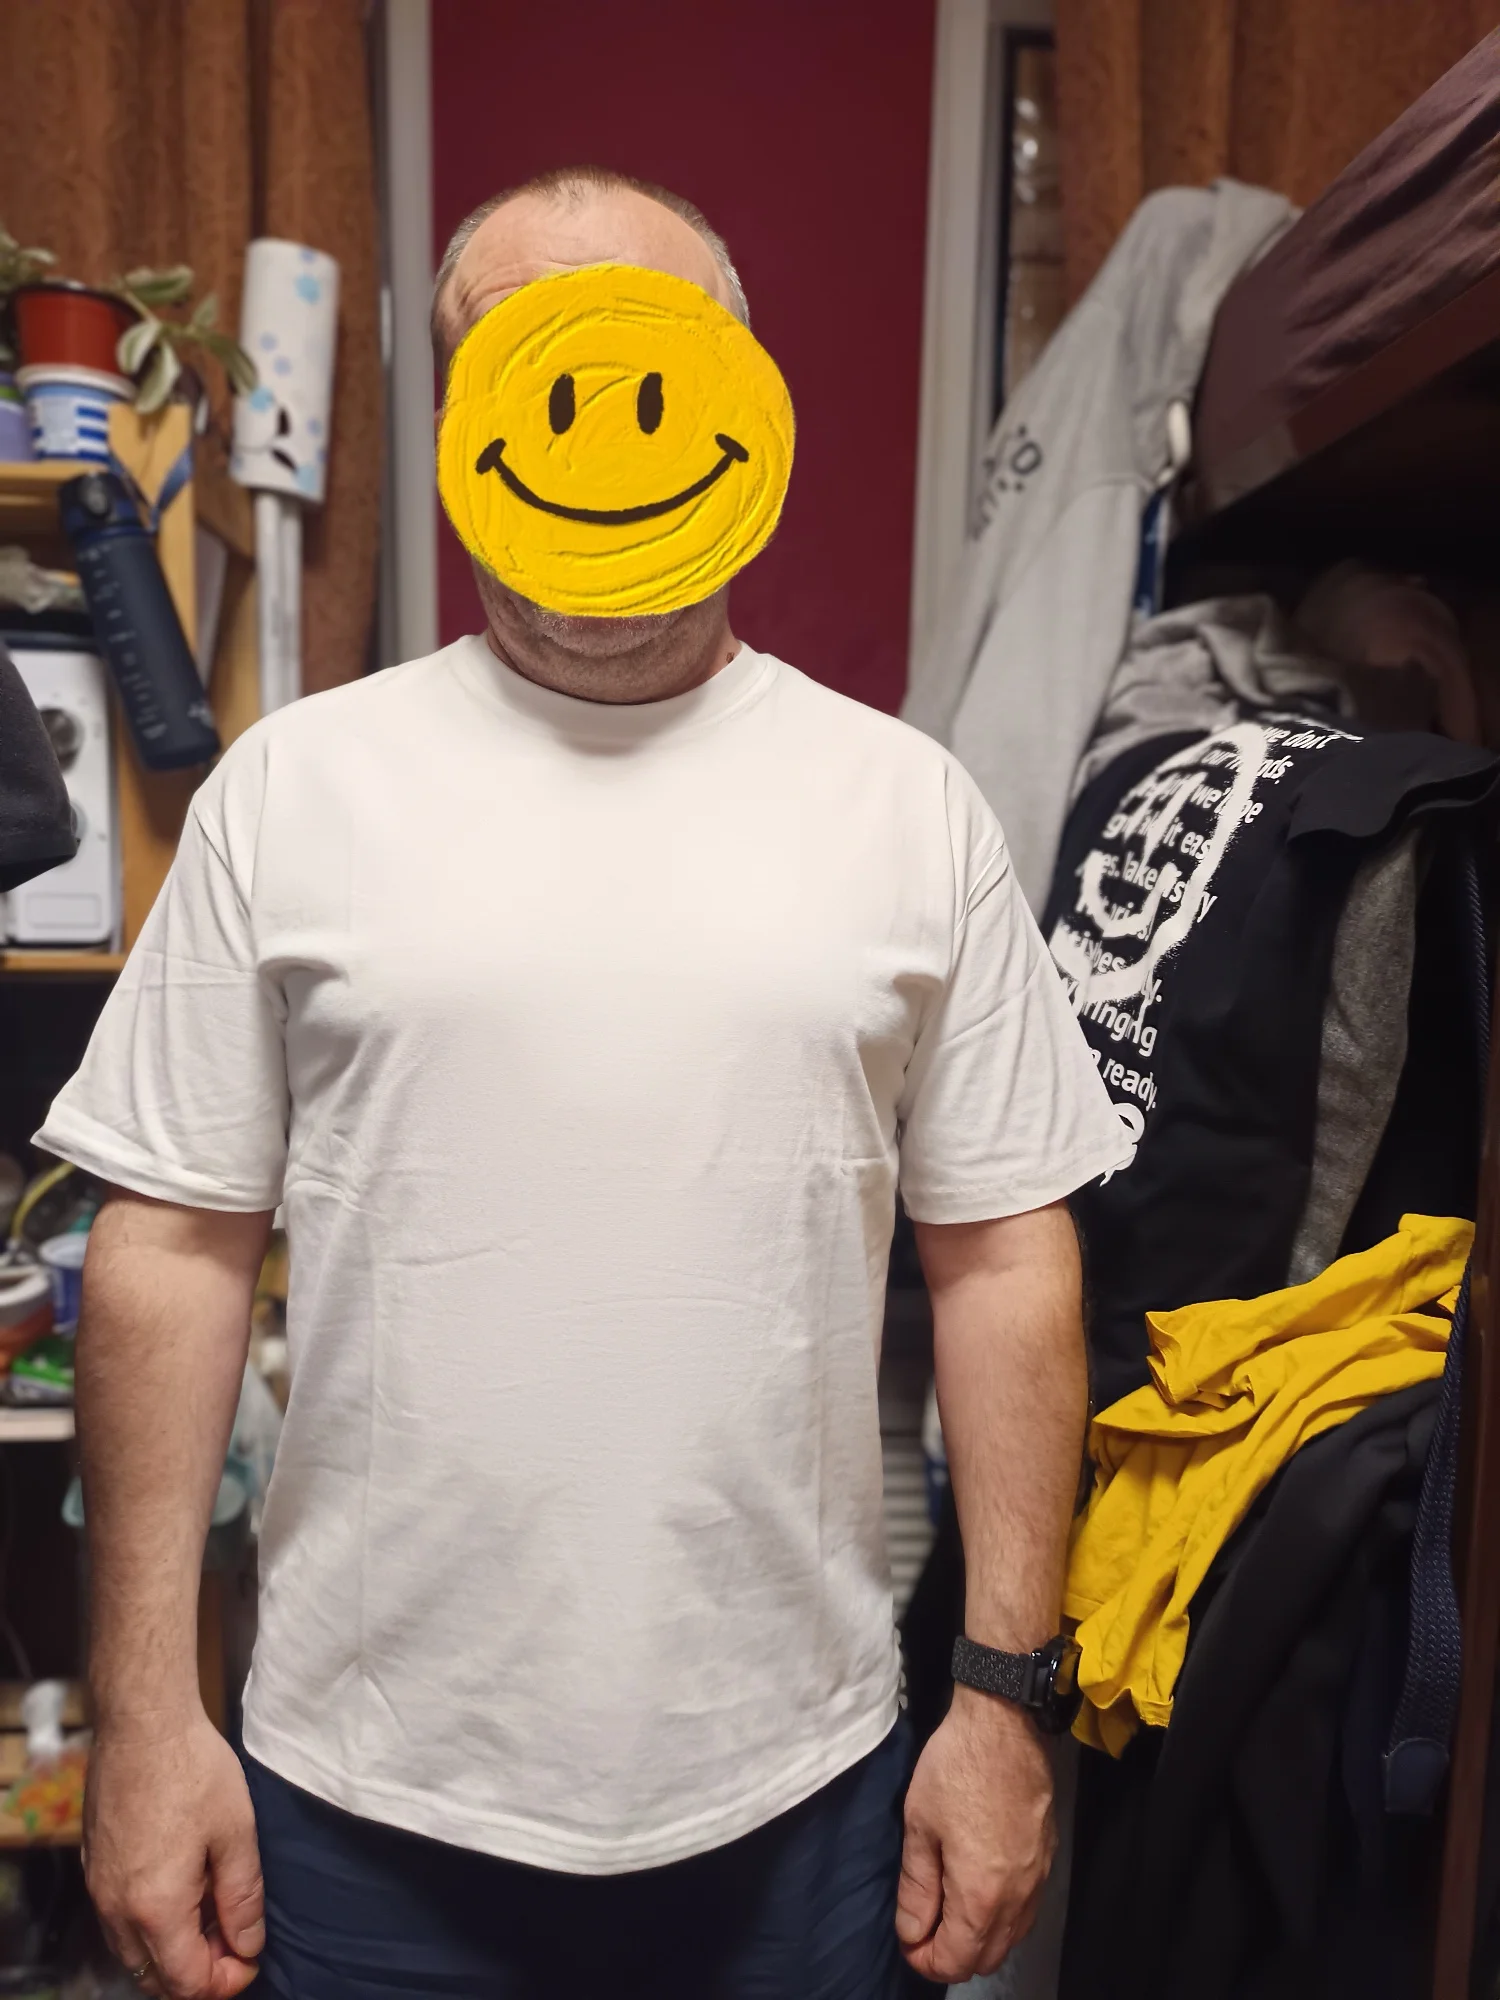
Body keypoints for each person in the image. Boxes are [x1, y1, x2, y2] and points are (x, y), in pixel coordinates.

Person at [40, 168, 1128, 2000]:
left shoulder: (909, 809)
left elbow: (1008, 1260)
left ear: (742, 397)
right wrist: (148, 1717)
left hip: (803, 1796)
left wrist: (1004, 1703)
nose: (594, 409)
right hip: (357, 1799)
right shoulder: (291, 791)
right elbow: (171, 1252)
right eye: (524, 354)